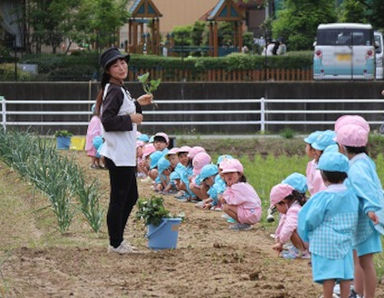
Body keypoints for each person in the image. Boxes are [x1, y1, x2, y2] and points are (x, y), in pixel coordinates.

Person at [96, 47, 153, 254]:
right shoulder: (114, 90)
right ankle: (115, 243)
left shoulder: (120, 89)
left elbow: (122, 111)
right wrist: (131, 118)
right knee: (120, 198)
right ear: (108, 71)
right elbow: (108, 121)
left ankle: (117, 241)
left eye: (123, 63)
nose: (121, 67)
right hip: (118, 154)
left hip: (124, 153)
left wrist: (138, 104)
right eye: (116, 65)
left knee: (130, 197)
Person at [298, 152, 359, 298]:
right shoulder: (351, 195)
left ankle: (327, 296)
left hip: (325, 242)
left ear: (323, 176)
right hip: (346, 240)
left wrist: (306, 232)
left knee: (328, 274)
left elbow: (310, 218)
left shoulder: (323, 197)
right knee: (345, 274)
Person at [335, 116, 383, 298]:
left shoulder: (357, 167)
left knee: (366, 262)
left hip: (366, 220)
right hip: (364, 218)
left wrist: (370, 208)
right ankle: (359, 292)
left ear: (344, 146)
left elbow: (366, 188)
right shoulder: (361, 160)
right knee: (363, 261)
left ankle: (368, 295)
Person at [219, 158, 262, 231]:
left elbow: (233, 201)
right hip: (254, 212)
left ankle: (243, 224)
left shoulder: (238, 187)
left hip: (251, 214)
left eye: (232, 173)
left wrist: (224, 198)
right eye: (226, 174)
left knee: (226, 207)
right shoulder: (242, 185)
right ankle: (244, 222)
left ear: (239, 174)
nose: (229, 175)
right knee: (226, 205)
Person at [269, 183, 308, 259]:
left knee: (292, 230)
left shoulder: (294, 210)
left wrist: (281, 243)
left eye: (276, 207)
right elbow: (282, 223)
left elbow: (288, 227)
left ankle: (302, 252)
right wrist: (278, 238)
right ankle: (300, 249)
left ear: (283, 202)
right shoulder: (291, 208)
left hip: (309, 242)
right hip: (307, 240)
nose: (277, 210)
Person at [304, 130, 326, 196]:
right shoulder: (311, 164)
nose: (306, 148)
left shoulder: (324, 167)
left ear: (314, 149)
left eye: (307, 145)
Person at [85, 104, 103, 169]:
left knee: (98, 152)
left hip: (97, 139)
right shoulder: (95, 120)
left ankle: (98, 163)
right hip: (94, 139)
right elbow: (94, 130)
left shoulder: (97, 119)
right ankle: (92, 164)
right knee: (94, 152)